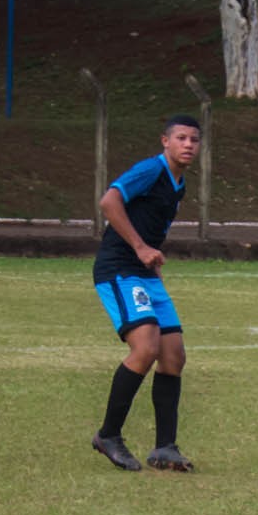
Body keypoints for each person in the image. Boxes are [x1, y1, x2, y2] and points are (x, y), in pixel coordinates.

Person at [90, 115, 203, 472]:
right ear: (165, 141)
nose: (188, 145)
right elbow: (109, 202)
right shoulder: (150, 170)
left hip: (145, 274)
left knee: (173, 355)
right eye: (181, 138)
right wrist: (140, 247)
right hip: (120, 268)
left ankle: (165, 448)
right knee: (146, 348)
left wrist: (151, 262)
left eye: (194, 140)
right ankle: (108, 435)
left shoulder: (177, 183)